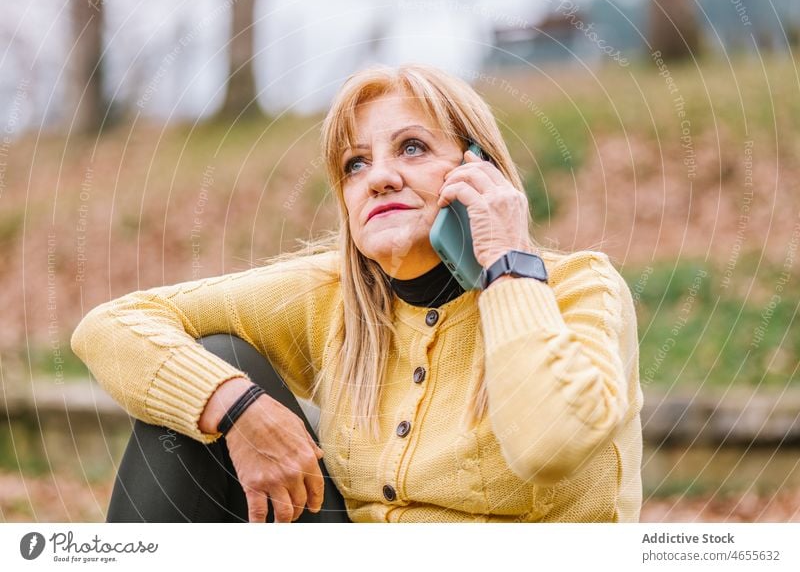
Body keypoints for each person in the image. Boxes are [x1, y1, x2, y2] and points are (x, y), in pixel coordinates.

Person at [71, 63, 643, 524]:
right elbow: (112, 324)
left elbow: (551, 446)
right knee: (211, 370)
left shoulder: (579, 288)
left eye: (413, 148)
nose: (380, 177)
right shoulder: (334, 298)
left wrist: (506, 267)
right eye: (355, 164)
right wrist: (239, 409)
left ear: (479, 170)